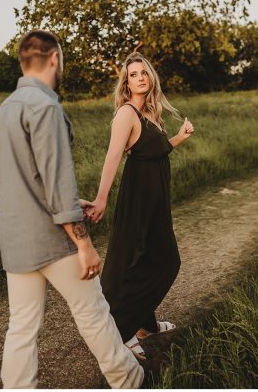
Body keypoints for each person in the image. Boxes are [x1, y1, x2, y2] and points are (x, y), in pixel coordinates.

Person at [0, 30, 143, 388]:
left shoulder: (4, 111)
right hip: (54, 240)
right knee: (94, 314)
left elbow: (26, 182)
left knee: (22, 329)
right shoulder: (45, 107)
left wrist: (73, 203)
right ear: (55, 58)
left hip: (15, 241)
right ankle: (131, 382)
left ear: (23, 62)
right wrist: (84, 244)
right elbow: (56, 182)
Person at [82, 52, 193, 360]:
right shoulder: (126, 114)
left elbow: (154, 152)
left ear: (150, 77)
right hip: (139, 199)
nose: (140, 77)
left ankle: (146, 325)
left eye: (144, 72)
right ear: (126, 82)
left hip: (157, 200)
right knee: (155, 261)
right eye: (133, 74)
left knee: (150, 259)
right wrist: (102, 198)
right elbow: (112, 157)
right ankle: (122, 329)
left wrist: (179, 138)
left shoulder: (150, 114)